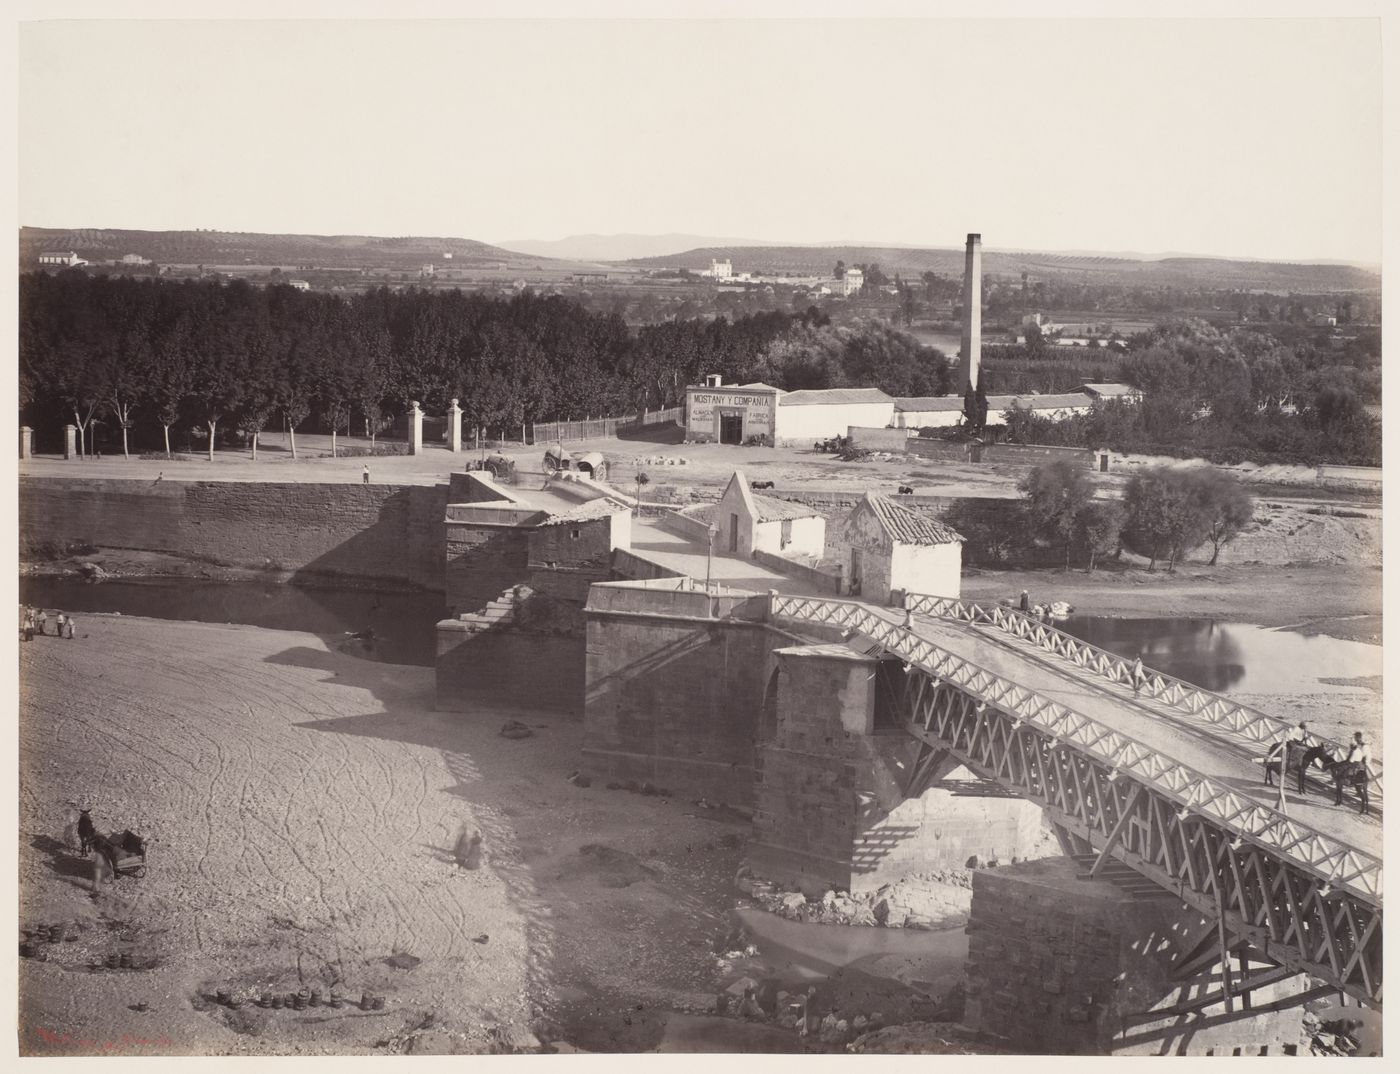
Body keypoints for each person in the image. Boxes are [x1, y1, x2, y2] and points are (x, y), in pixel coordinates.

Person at [1265, 721, 1308, 790]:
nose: (1305, 728)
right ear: (1301, 725)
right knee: (1295, 748)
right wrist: (1297, 740)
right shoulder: (1296, 729)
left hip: (1299, 743)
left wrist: (1305, 738)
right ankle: (1291, 759)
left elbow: (1304, 738)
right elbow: (1291, 736)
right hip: (1293, 742)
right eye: (1304, 726)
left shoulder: (1304, 730)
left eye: (1305, 727)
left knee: (1306, 749)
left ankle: (1303, 761)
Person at [1337, 731, 1372, 815]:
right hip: (1358, 762)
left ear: (1359, 737)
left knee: (1347, 769)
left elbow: (1362, 756)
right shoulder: (1360, 745)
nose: (1356, 739)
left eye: (1356, 738)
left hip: (1361, 764)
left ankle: (1347, 781)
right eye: (1355, 738)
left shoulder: (1364, 746)